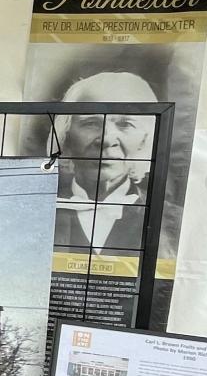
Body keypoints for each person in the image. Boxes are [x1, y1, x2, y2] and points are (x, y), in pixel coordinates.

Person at [52, 74, 156, 250]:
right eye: (91, 123)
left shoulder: (170, 221)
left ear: (144, 140)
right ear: (66, 137)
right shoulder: (33, 211)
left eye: (125, 124)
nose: (107, 139)